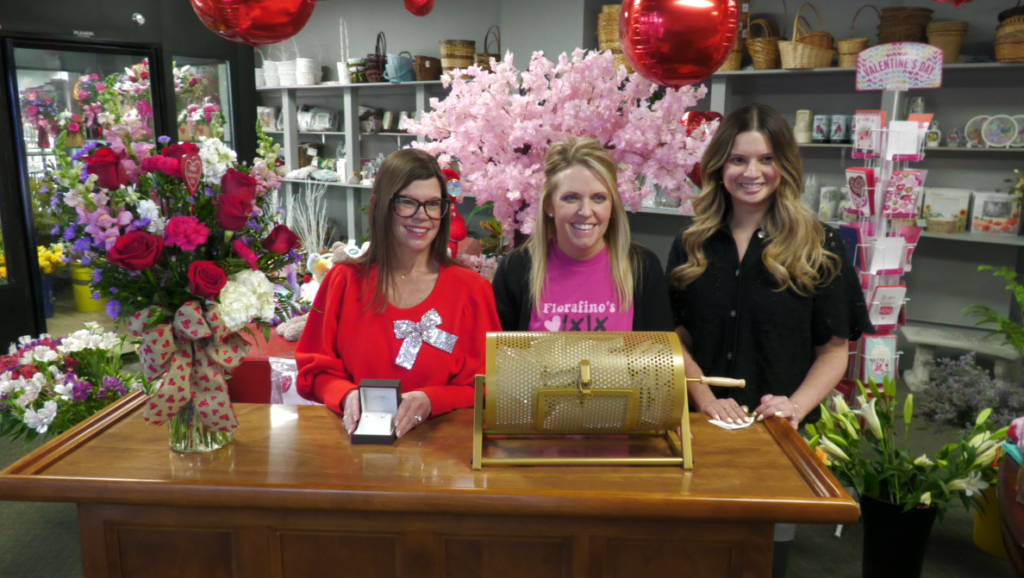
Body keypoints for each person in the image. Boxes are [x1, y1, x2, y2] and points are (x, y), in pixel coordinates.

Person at [665, 103, 872, 577]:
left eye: (765, 159)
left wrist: (795, 408)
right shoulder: (691, 243)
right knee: (694, 552)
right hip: (702, 432)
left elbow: (834, 351)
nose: (751, 172)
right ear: (718, 166)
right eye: (738, 159)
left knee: (762, 558)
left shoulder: (821, 244)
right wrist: (704, 397)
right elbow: (675, 338)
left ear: (785, 165)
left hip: (777, 436)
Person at [296, 149, 501, 438]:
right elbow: (314, 370)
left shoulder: (471, 291)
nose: (422, 216)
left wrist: (431, 400)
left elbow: (488, 385)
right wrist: (346, 396)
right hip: (353, 450)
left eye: (433, 204)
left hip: (443, 453)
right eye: (407, 202)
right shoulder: (344, 282)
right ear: (380, 206)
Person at [492, 136, 673, 333]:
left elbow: (660, 358)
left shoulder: (642, 268)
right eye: (571, 198)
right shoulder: (516, 270)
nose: (586, 212)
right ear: (549, 205)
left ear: (612, 204)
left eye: (598, 198)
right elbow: (498, 358)